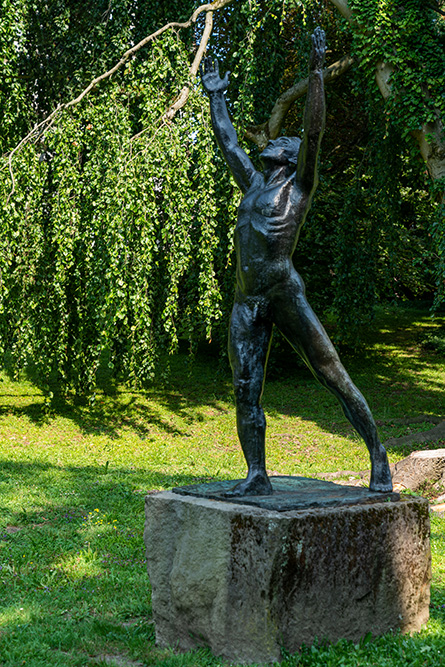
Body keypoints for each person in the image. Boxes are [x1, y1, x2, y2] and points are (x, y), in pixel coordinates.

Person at [200, 28, 393, 496]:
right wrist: (217, 98)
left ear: (288, 156)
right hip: (248, 302)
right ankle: (256, 474)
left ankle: (378, 455)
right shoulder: (252, 184)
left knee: (332, 374)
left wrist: (315, 72)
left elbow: (313, 130)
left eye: (283, 139)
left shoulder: (299, 186)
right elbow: (227, 142)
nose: (277, 138)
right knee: (245, 387)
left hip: (284, 292)